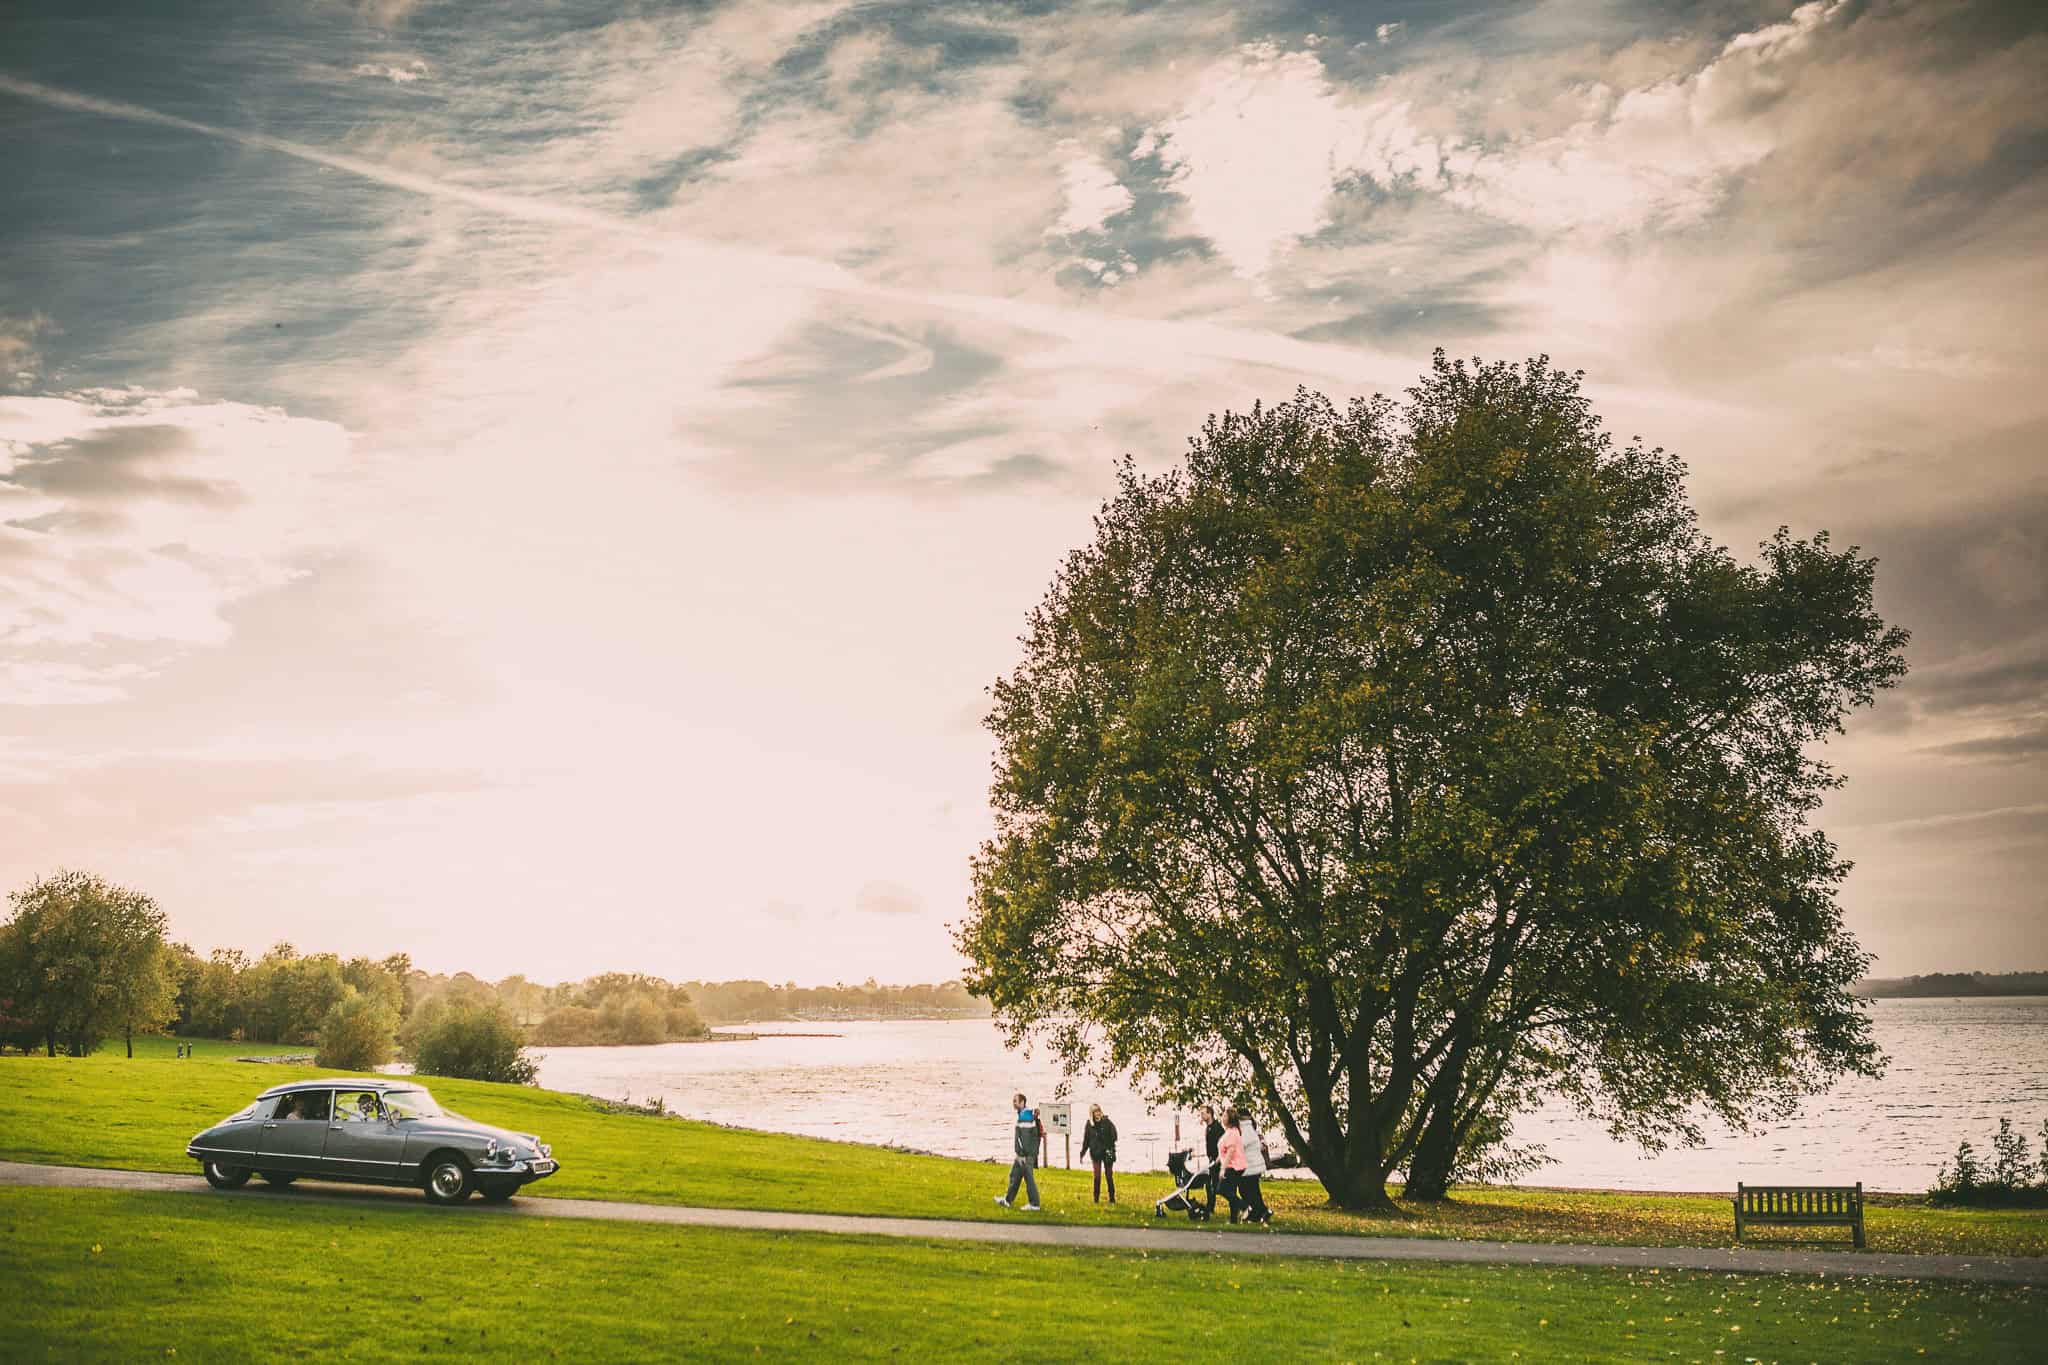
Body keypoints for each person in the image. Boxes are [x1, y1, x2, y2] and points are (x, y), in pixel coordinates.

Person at [994, 1092, 1042, 1211]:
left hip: (1025, 1154)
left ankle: (1034, 1204)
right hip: (1024, 1154)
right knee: (1014, 1175)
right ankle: (1007, 1200)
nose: (1013, 1103)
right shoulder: (1025, 1115)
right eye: (1013, 1101)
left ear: (1022, 1102)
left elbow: (1024, 1139)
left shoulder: (1025, 1117)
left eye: (1015, 1101)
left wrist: (1022, 1155)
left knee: (1028, 1178)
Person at [1236, 1107, 1273, 1225]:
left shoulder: (1245, 1129)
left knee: (1246, 1190)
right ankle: (1258, 1212)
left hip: (1250, 1166)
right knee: (1252, 1190)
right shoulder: (1248, 1127)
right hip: (1252, 1165)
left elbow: (1241, 1145)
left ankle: (1261, 1210)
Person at [1079, 1104, 1118, 1203]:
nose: (1098, 1114)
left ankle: (1112, 1198)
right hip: (1095, 1153)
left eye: (1099, 1111)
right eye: (1095, 1112)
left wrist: (1110, 1146)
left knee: (1109, 1175)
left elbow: (1114, 1136)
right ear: (1092, 1114)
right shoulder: (1089, 1125)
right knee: (1097, 1176)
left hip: (1107, 1152)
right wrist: (1082, 1153)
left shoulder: (1107, 1122)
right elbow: (1086, 1140)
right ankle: (1096, 1199)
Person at [1214, 1107, 1247, 1222]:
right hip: (1231, 1165)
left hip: (1233, 1166)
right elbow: (1224, 1149)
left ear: (1229, 1119)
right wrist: (1219, 1158)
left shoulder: (1232, 1132)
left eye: (1224, 1116)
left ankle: (1244, 1206)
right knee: (1231, 1192)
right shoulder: (1229, 1131)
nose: (1222, 1118)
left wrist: (1223, 1169)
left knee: (1221, 1189)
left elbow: (1231, 1151)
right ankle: (1233, 1219)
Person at [1200, 1104, 1227, 1218]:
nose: (1201, 1116)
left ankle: (1240, 1205)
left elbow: (1223, 1145)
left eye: (1203, 1113)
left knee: (1218, 1187)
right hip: (1211, 1160)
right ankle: (1210, 1207)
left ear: (1209, 1114)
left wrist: (1219, 1158)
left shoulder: (1217, 1128)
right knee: (1209, 1184)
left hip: (1218, 1160)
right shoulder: (1208, 1127)